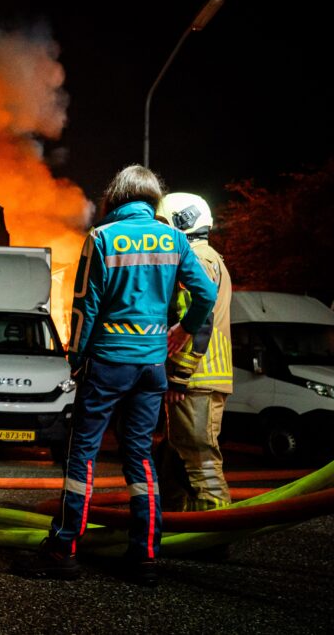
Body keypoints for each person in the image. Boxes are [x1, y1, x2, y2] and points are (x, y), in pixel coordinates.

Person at [13, 165, 217, 586]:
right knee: (140, 457)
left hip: (107, 362)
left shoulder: (102, 238)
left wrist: (75, 357)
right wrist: (182, 328)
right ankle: (144, 556)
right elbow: (206, 294)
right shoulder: (176, 240)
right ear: (151, 200)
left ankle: (64, 548)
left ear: (115, 199)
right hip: (152, 367)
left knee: (82, 455)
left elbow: (85, 305)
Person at [155, 193, 233, 513]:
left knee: (199, 458)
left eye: (162, 225)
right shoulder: (211, 256)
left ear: (180, 222)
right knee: (171, 457)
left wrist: (178, 376)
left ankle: (214, 533)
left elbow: (199, 321)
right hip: (203, 376)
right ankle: (174, 523)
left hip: (196, 380)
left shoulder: (196, 259)